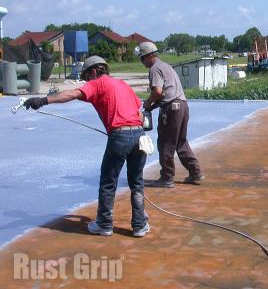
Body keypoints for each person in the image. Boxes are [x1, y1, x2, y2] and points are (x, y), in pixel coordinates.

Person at [24, 55, 150, 237]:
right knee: (136, 182)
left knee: (108, 182)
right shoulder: (122, 84)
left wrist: (43, 101)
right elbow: (139, 111)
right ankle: (139, 226)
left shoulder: (97, 83)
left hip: (119, 136)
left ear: (93, 71)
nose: (86, 81)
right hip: (139, 135)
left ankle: (105, 224)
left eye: (86, 77)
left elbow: (72, 94)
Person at [136, 42, 204, 188]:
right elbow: (165, 94)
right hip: (182, 106)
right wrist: (153, 107)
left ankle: (167, 177)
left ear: (148, 56)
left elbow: (158, 92)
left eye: (142, 59)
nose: (142, 62)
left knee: (166, 143)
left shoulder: (155, 69)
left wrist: (147, 104)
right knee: (181, 142)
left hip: (172, 109)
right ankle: (195, 172)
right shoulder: (166, 66)